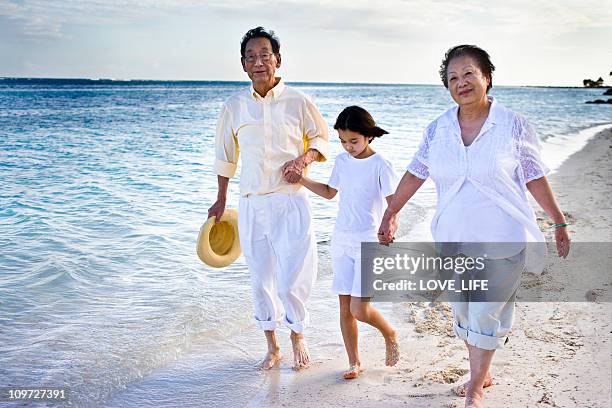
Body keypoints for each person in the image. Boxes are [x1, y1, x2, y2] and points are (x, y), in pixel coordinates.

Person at [378, 45, 570, 408]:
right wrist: (390, 213)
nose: (461, 83)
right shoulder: (437, 130)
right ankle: (482, 372)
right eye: (452, 78)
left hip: (502, 238)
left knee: (485, 310)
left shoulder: (513, 124)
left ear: (486, 77)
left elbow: (534, 177)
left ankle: (475, 389)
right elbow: (415, 173)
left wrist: (558, 221)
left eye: (468, 74)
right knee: (465, 310)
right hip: (453, 238)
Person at [208, 27, 329, 370]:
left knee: (294, 275)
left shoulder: (298, 101)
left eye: (265, 54)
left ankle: (298, 336)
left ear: (278, 60)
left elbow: (320, 138)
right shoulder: (234, 106)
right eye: (251, 57)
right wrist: (220, 200)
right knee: (260, 278)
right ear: (243, 65)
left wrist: (303, 160)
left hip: (291, 200)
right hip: (251, 203)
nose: (258, 61)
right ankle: (272, 346)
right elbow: (224, 157)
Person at [294, 106, 400, 379]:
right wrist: (302, 179)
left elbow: (394, 205)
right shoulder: (342, 162)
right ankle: (354, 362)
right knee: (344, 307)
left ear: (368, 136)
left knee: (359, 308)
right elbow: (330, 193)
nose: (348, 146)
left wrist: (389, 228)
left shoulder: (381, 165)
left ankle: (389, 332)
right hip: (341, 240)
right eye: (342, 140)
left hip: (369, 242)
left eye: (353, 140)